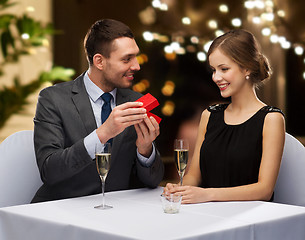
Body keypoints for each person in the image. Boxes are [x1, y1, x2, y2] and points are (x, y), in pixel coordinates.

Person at [32, 19, 164, 203]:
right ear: (99, 61)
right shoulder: (53, 99)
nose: (136, 66)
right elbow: (50, 171)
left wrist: (145, 150)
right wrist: (103, 133)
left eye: (136, 57)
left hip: (117, 212)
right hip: (62, 211)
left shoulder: (135, 101)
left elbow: (153, 181)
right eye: (127, 59)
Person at [164, 29, 285, 204]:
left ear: (247, 68)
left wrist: (207, 194)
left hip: (251, 220)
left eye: (224, 69)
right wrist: (180, 187)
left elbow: (264, 190)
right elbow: (194, 176)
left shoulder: (271, 119)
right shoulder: (209, 115)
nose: (216, 77)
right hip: (208, 213)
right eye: (213, 70)